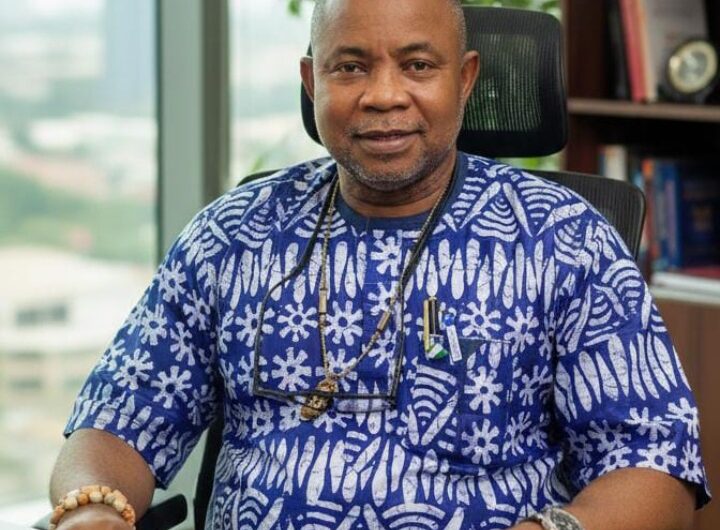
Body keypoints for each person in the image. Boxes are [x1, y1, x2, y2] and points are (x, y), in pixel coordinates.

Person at [49, 0, 710, 528]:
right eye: (350, 67)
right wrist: (93, 509)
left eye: (417, 65)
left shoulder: (564, 240)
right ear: (312, 81)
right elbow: (117, 420)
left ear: (465, 79)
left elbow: (655, 463)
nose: (384, 95)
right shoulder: (231, 234)